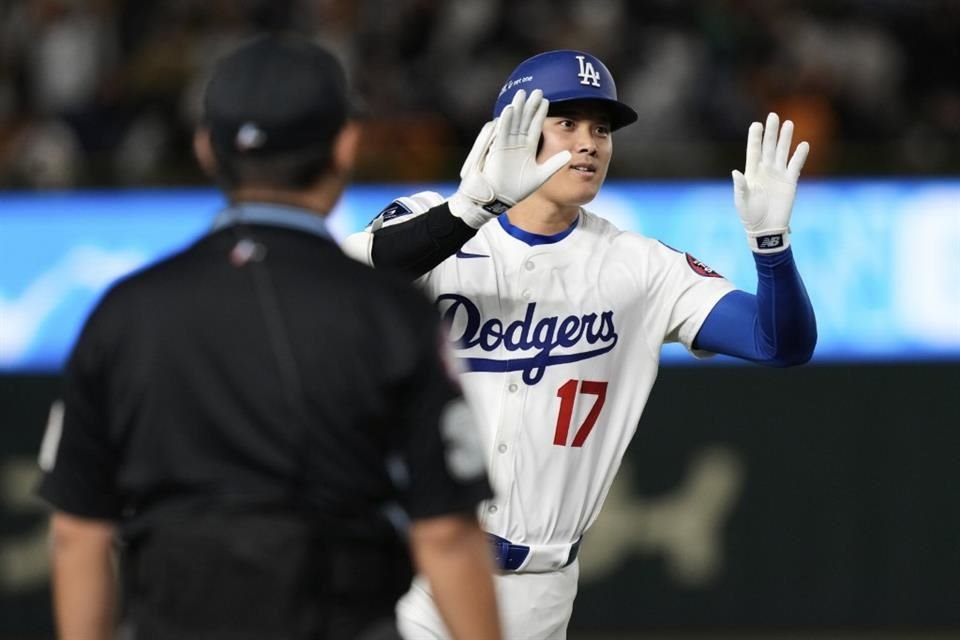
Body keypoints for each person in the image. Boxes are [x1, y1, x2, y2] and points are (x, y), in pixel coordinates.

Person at [34, 34, 502, 640]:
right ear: (346, 143)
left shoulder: (125, 312)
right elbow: (447, 534)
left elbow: (78, 533)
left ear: (206, 148)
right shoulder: (389, 313)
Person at [341, 49, 817, 639]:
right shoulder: (429, 222)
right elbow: (343, 281)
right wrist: (472, 209)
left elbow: (780, 343)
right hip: (416, 575)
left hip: (541, 589)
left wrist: (771, 244)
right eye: (566, 122)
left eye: (601, 128)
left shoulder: (639, 266)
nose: (589, 142)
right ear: (508, 130)